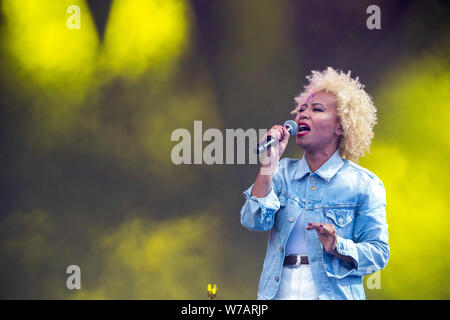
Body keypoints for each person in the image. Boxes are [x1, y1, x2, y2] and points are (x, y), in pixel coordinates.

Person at [240, 67, 389, 300]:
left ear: (341, 126)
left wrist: (337, 245)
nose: (302, 115)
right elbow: (253, 220)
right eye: (301, 110)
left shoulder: (364, 184)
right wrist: (269, 163)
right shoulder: (281, 173)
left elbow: (379, 253)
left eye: (316, 109)